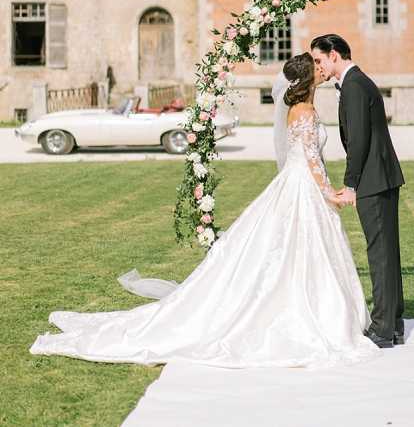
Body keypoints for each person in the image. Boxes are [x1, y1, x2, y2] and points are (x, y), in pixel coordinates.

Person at [30, 53, 379, 369]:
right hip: (303, 185)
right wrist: (329, 193)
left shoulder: (303, 108)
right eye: (317, 67)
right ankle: (307, 315)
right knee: (296, 250)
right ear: (306, 78)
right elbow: (311, 158)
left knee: (293, 252)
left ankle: (308, 308)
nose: (322, 69)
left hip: (297, 183)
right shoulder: (303, 111)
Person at [311, 34, 405, 348]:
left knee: (380, 255)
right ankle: (393, 324)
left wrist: (351, 184)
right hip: (383, 177)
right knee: (387, 252)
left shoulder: (353, 86)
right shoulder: (361, 82)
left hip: (373, 180)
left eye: (319, 60)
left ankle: (382, 328)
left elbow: (360, 140)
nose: (318, 67)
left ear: (334, 55)